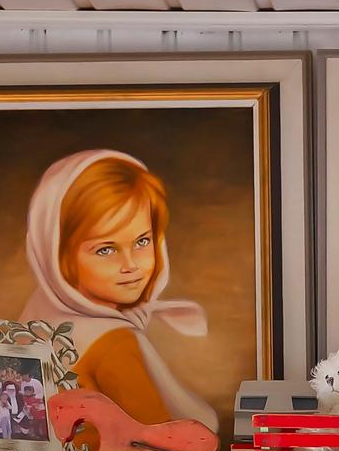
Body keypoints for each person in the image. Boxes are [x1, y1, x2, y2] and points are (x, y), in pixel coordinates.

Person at [20, 148, 218, 433]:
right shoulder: (113, 343)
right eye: (106, 249)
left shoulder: (40, 316)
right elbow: (159, 443)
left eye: (142, 241)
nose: (131, 265)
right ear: (56, 254)